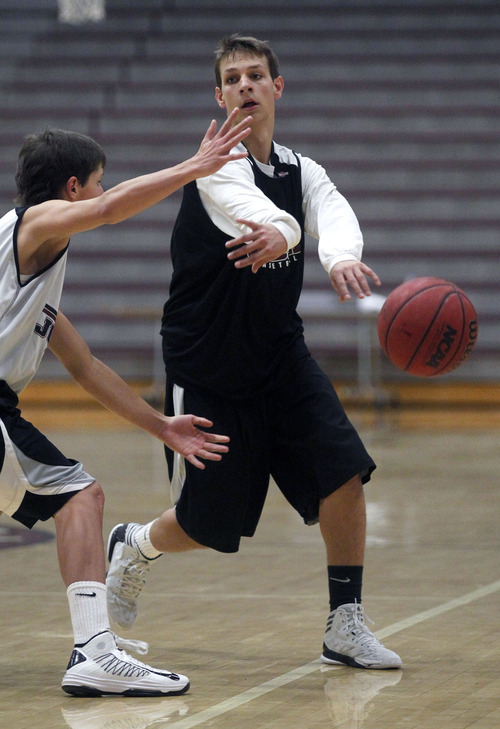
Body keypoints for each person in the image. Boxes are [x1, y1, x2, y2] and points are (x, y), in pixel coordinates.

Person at [106, 34, 402, 670]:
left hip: (278, 354)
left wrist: (342, 255)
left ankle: (344, 625)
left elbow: (331, 207)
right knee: (205, 525)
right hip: (207, 363)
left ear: (277, 87)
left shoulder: (303, 169)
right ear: (219, 95)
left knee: (344, 473)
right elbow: (252, 211)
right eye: (233, 78)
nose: (245, 85)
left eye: (256, 75)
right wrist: (285, 231)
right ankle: (135, 545)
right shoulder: (215, 164)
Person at [0, 111, 253, 696]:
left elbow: (85, 367)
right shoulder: (34, 224)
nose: (103, 193)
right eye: (98, 181)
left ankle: (95, 650)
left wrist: (161, 425)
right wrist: (194, 167)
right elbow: (109, 211)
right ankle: (94, 651)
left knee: (74, 493)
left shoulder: (30, 280)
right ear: (72, 190)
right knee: (80, 497)